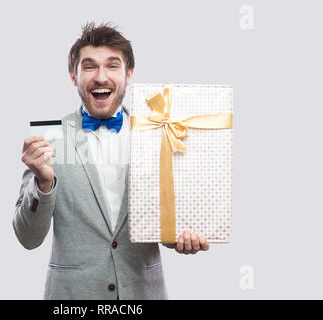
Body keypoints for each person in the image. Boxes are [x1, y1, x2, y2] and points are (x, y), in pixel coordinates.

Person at [13, 22, 209, 300]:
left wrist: (181, 236)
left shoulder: (161, 134)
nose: (101, 77)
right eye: (89, 66)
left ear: (129, 74)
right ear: (73, 75)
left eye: (112, 65)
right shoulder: (49, 138)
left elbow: (165, 218)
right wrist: (44, 183)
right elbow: (27, 238)